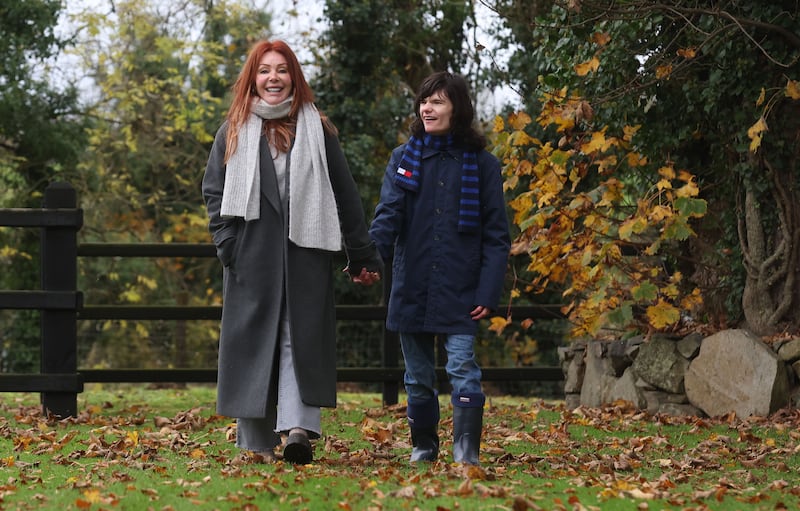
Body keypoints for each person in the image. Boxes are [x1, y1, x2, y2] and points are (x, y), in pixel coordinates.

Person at [202, 40, 382, 465]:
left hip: (306, 254)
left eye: (282, 70)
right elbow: (214, 191)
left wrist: (361, 255)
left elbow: (345, 193)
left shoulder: (317, 128)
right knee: (254, 342)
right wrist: (229, 246)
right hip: (252, 257)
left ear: (293, 77)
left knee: (296, 338)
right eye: (264, 71)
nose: (273, 78)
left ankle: (298, 430)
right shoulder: (232, 130)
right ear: (253, 79)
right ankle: (256, 442)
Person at [369, 71, 510, 465]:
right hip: (411, 285)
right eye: (424, 101)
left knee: (463, 366)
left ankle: (466, 448)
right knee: (416, 375)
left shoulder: (483, 166)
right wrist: (367, 261)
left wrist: (488, 292)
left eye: (438, 101)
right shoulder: (404, 159)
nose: (427, 108)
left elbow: (497, 236)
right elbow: (387, 217)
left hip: (462, 289)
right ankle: (424, 445)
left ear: (457, 109)